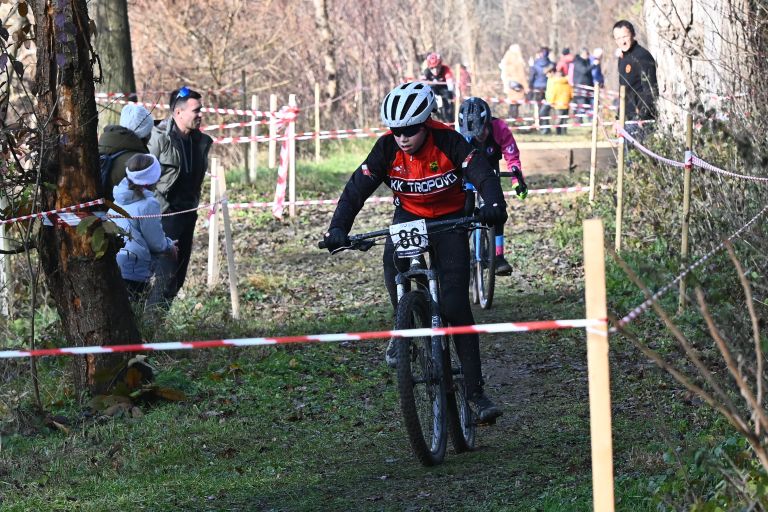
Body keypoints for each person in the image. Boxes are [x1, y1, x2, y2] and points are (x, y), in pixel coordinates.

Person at [322, 82, 507, 423]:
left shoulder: (449, 141)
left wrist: (494, 204)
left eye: (410, 131)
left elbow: (481, 172)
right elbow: (355, 189)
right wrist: (338, 229)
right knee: (393, 263)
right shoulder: (385, 149)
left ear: (426, 123)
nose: (403, 138)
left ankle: (476, 392)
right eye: (396, 131)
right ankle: (403, 327)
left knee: (454, 305)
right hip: (409, 216)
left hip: (451, 220)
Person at [147, 87, 213, 307]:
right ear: (178, 113)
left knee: (177, 281)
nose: (200, 114)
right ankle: (148, 331)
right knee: (164, 278)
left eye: (200, 109)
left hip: (188, 215)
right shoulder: (158, 138)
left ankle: (157, 329)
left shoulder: (200, 141)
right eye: (196, 110)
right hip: (164, 216)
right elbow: (142, 177)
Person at [458, 97, 528, 276]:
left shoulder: (501, 129)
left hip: (490, 172)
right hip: (467, 173)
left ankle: (498, 256)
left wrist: (516, 181)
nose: (479, 136)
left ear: (488, 122)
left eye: (482, 131)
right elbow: (453, 160)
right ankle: (459, 253)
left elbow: (512, 157)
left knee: (498, 212)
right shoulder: (459, 133)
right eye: (475, 134)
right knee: (463, 210)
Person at [109, 154, 178, 304]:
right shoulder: (149, 204)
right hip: (134, 269)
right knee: (134, 314)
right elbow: (156, 242)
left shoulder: (118, 196)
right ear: (152, 179)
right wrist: (169, 246)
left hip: (113, 262)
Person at [98, 104, 154, 200]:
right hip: (123, 214)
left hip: (95, 212)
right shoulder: (139, 163)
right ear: (146, 134)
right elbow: (142, 203)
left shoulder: (101, 148)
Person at [613, 20, 658, 124]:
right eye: (618, 38)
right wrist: (619, 118)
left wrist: (644, 116)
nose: (622, 41)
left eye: (625, 36)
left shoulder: (642, 56)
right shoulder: (622, 57)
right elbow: (623, 91)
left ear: (633, 34)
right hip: (627, 117)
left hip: (641, 119)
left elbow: (651, 89)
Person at [421, 53, 455, 122]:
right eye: (432, 68)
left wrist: (451, 94)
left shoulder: (445, 69)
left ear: (440, 65)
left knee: (449, 95)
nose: (435, 70)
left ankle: (449, 118)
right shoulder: (426, 72)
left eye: (437, 67)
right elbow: (422, 85)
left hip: (444, 89)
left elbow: (450, 83)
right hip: (433, 90)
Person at [541, 67, 573, 135]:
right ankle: (564, 132)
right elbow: (571, 93)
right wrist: (569, 100)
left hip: (556, 103)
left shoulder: (555, 82)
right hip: (566, 102)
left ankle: (558, 132)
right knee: (564, 119)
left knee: (558, 119)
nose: (546, 75)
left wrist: (551, 101)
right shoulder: (567, 82)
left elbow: (553, 93)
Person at [571, 48, 594, 116]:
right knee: (582, 105)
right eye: (587, 54)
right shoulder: (578, 61)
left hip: (588, 87)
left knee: (588, 105)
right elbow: (584, 71)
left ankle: (588, 120)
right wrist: (593, 65)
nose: (588, 55)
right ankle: (579, 120)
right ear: (582, 54)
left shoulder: (587, 61)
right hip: (580, 87)